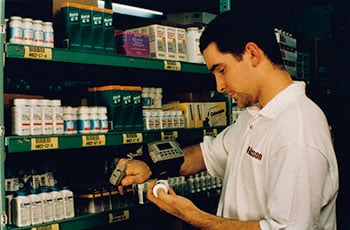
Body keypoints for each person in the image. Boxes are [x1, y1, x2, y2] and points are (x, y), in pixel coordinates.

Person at [116, 8, 339, 230]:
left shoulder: (297, 129)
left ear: (252, 53)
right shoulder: (253, 116)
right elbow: (206, 155)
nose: (219, 86)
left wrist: (192, 215)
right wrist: (149, 165)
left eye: (221, 70)